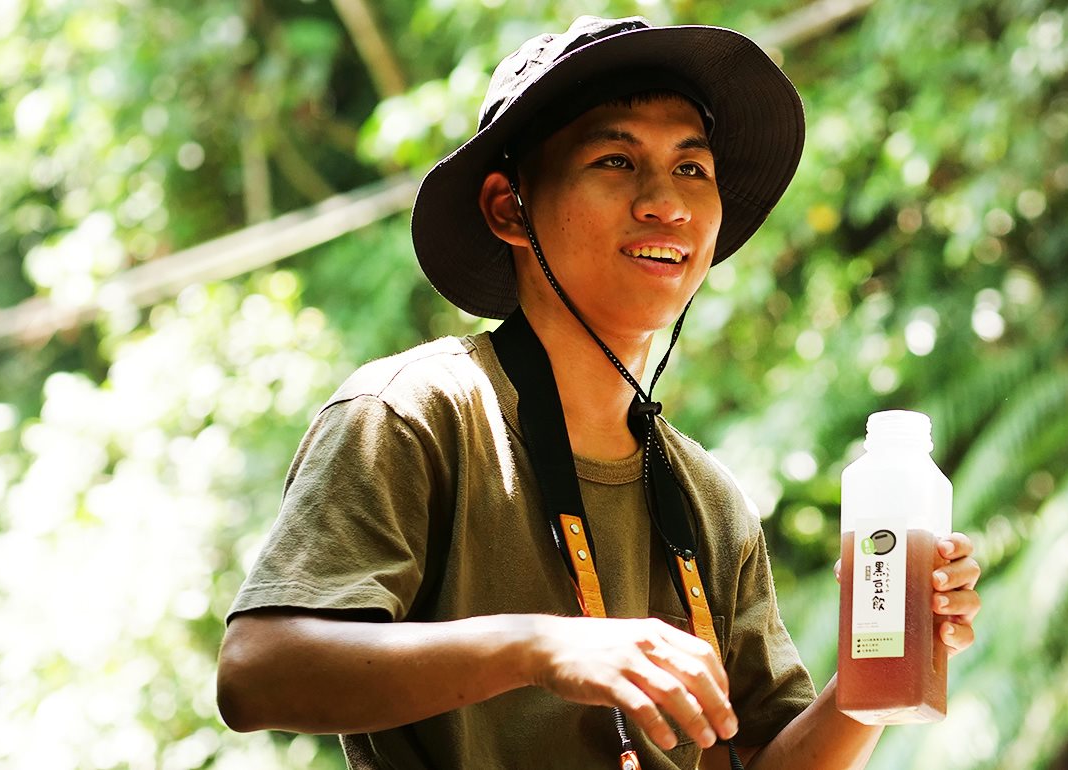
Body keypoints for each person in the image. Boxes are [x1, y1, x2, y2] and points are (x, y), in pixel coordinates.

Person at [214, 15, 983, 770]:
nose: (667, 203)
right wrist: (543, 647)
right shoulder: (415, 415)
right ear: (509, 208)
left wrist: (877, 661)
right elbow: (255, 672)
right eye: (616, 161)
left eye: (692, 168)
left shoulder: (708, 503)